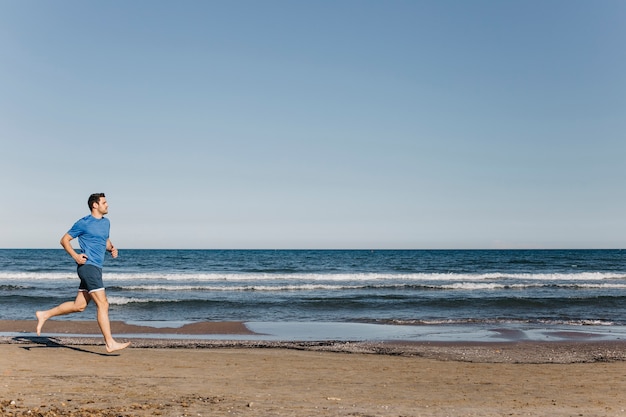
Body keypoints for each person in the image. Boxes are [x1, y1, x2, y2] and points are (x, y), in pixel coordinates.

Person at [36, 193, 130, 353]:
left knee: (79, 306)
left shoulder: (106, 223)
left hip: (96, 268)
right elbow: (64, 240)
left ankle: (44, 314)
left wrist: (112, 248)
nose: (107, 205)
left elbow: (104, 240)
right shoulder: (83, 223)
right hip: (88, 267)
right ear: (95, 205)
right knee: (103, 304)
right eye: (104, 202)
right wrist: (76, 256)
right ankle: (110, 343)